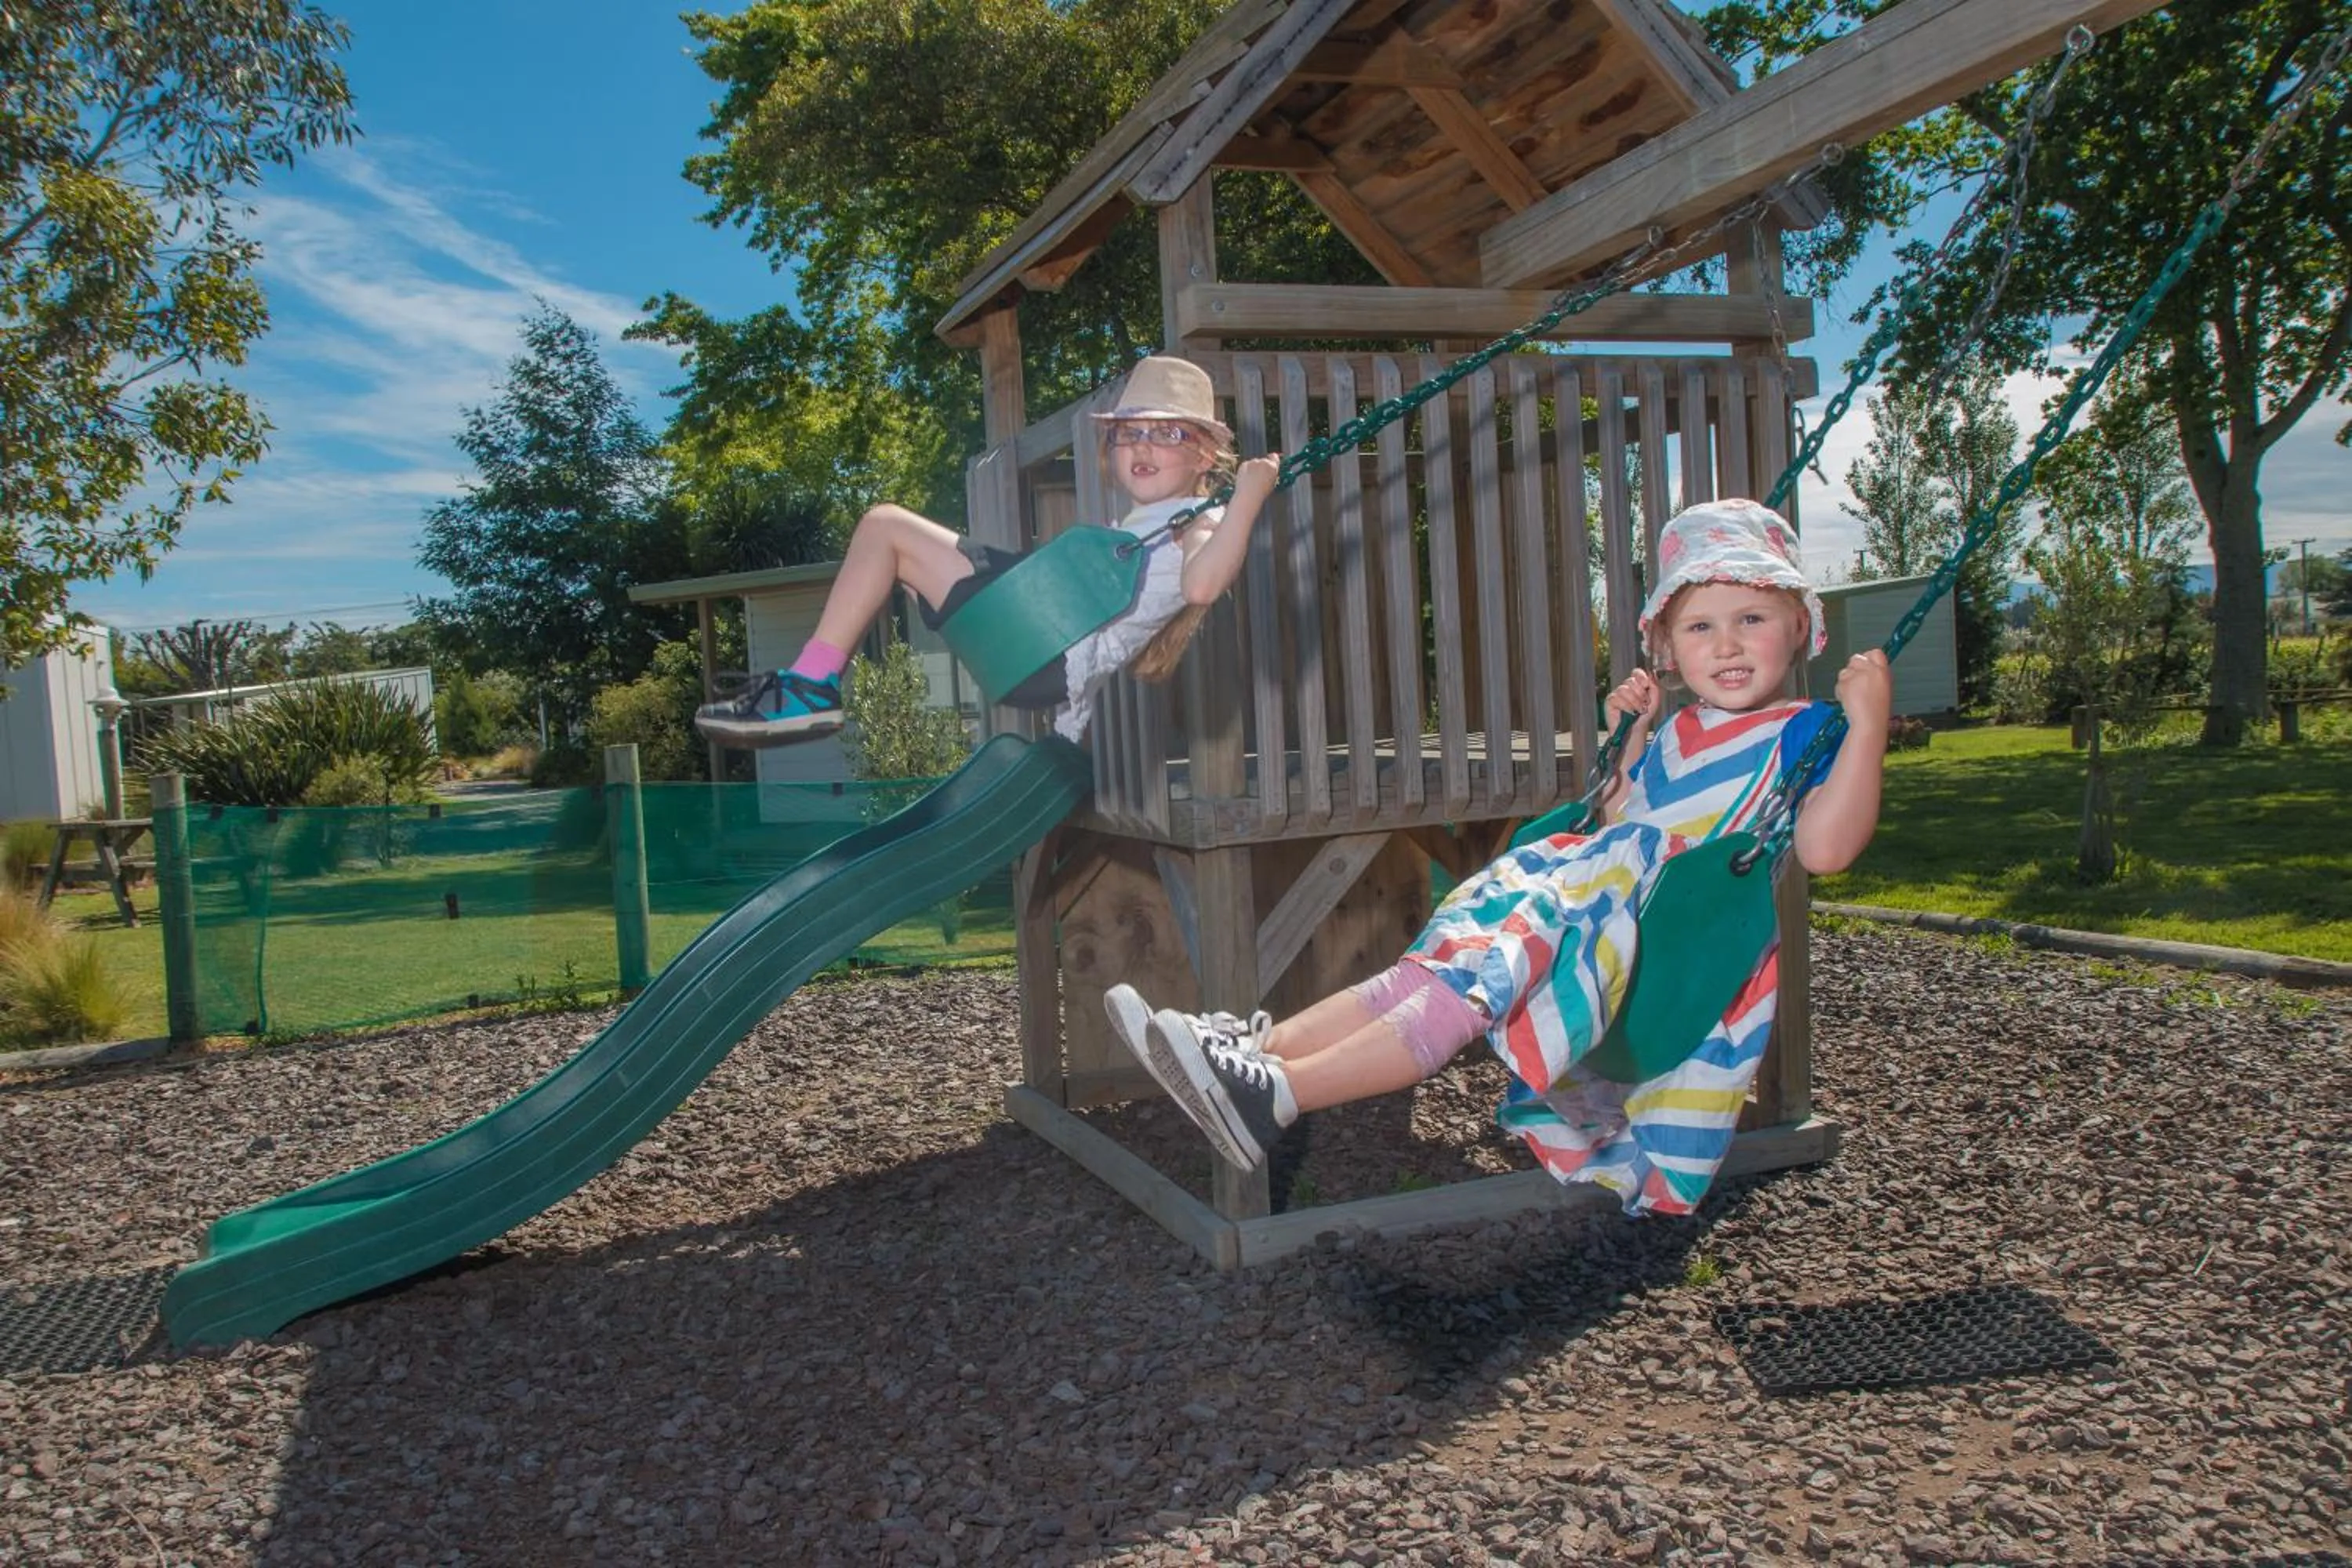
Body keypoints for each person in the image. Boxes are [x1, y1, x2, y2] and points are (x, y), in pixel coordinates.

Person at [1105, 498, 1894, 1217]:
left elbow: (1825, 848)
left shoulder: (1806, 732)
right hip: (1585, 898)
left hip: (1652, 937)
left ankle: (1276, 1095)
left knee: (1474, 978)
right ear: (1665, 644)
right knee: (1430, 967)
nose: (1726, 643)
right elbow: (1620, 815)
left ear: (1800, 628)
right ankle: (1252, 1055)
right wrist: (1632, 741)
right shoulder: (1683, 730)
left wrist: (1867, 727)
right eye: (1700, 626)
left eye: (1752, 617)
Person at [695, 356, 1277, 748]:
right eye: (1131, 432)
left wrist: (1247, 497)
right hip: (1035, 641)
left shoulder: (1199, 523)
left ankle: (809, 686)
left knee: (885, 528)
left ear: (1205, 457)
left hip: (1042, 651)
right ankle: (811, 681)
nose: (1143, 446)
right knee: (891, 545)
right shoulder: (1146, 523)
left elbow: (1201, 586)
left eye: (1168, 433)